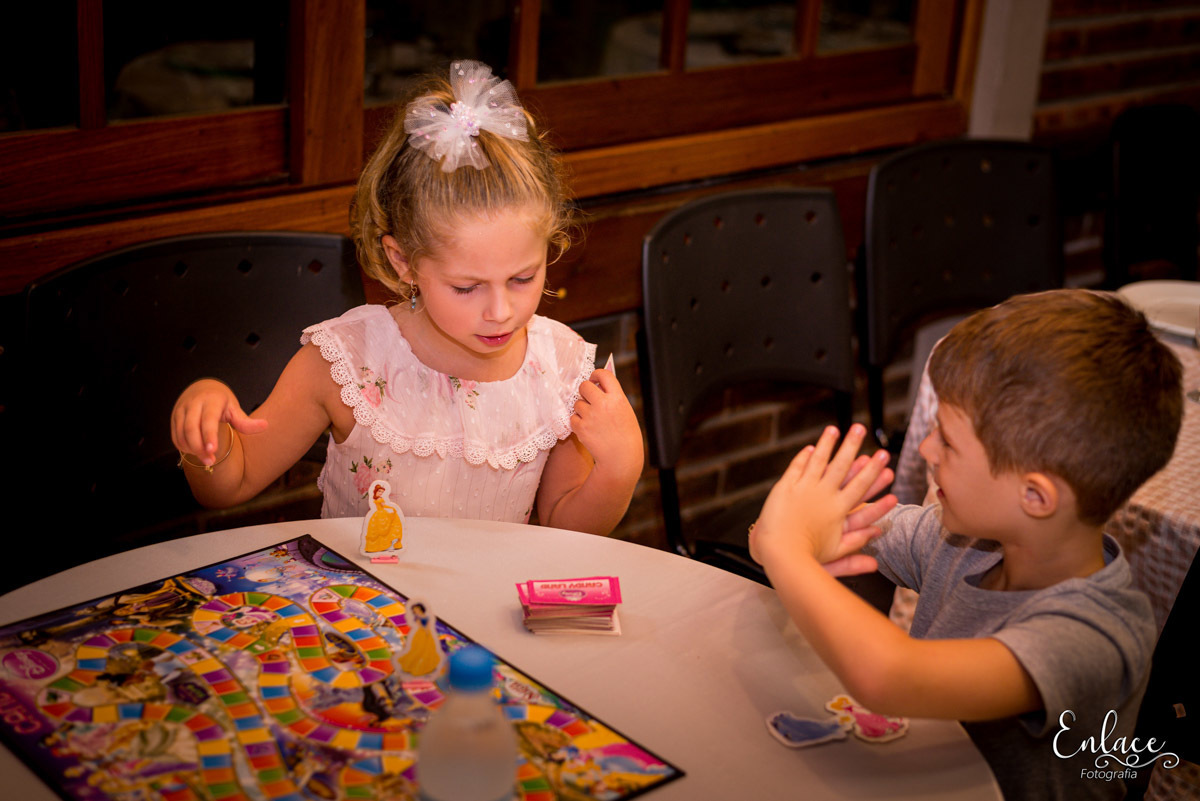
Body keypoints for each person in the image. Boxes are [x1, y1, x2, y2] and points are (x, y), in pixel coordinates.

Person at [170, 60, 643, 535]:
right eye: (466, 287)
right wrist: (204, 435)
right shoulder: (347, 363)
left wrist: (620, 467)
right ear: (403, 262)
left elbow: (568, 530)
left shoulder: (557, 368)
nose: (501, 312)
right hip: (362, 607)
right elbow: (230, 486)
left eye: (523, 279)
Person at [750, 289, 1183, 801]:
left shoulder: (1094, 635)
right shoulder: (962, 539)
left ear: (1035, 495)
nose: (926, 448)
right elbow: (780, 536)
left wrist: (788, 551)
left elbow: (886, 675)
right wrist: (788, 532)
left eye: (948, 441)